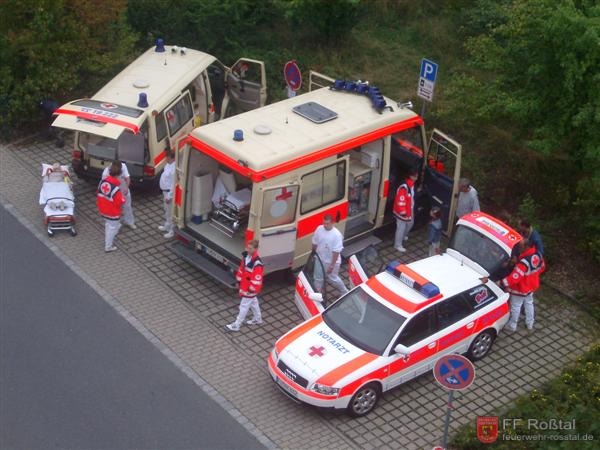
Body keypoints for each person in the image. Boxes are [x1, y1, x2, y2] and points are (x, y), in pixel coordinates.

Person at [500, 239, 545, 332]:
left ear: (527, 247)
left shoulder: (524, 262)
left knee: (516, 306)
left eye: (521, 246)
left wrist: (502, 282)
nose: (519, 248)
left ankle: (512, 325)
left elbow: (515, 277)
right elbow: (542, 267)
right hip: (531, 286)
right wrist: (532, 277)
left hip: (521, 288)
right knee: (529, 303)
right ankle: (530, 323)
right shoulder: (538, 255)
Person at [227, 240, 264, 331]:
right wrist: (238, 281)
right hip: (245, 286)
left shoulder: (257, 263)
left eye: (250, 248)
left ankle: (237, 325)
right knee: (253, 302)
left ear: (255, 249)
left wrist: (252, 289)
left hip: (250, 288)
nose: (248, 249)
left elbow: (257, 279)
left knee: (243, 306)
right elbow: (241, 270)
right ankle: (257, 319)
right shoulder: (246, 257)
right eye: (247, 247)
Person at [312, 214, 349, 294]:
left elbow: (336, 252)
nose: (325, 225)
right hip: (320, 258)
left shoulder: (336, 235)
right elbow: (314, 242)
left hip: (330, 261)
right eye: (324, 223)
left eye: (327, 223)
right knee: (318, 278)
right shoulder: (319, 229)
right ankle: (318, 294)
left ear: (332, 223)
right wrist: (313, 253)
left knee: (333, 278)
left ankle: (344, 292)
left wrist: (332, 265)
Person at [97, 162, 126, 252]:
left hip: (103, 209)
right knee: (113, 228)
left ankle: (107, 241)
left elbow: (98, 194)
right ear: (118, 175)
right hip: (112, 212)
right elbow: (119, 202)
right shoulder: (116, 189)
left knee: (109, 225)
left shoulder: (103, 181)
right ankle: (108, 246)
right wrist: (123, 198)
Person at [101, 160, 136, 229]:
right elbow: (104, 186)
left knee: (127, 206)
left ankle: (129, 222)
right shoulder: (105, 173)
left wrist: (126, 188)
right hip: (113, 192)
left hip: (123, 189)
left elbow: (127, 178)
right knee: (115, 209)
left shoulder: (123, 166)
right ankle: (115, 225)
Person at [393, 170, 418, 252]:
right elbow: (400, 200)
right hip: (402, 212)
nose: (416, 178)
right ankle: (397, 245)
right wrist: (402, 212)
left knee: (410, 223)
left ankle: (403, 236)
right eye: (415, 176)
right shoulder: (404, 187)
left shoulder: (411, 185)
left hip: (408, 209)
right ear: (410, 176)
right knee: (401, 227)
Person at [158, 150, 176, 238]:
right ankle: (167, 225)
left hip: (169, 192)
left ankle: (172, 230)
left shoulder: (174, 169)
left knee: (171, 212)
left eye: (167, 157)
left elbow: (174, 184)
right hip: (165, 191)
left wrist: (169, 196)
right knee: (166, 210)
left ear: (172, 158)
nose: (166, 159)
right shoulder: (168, 165)